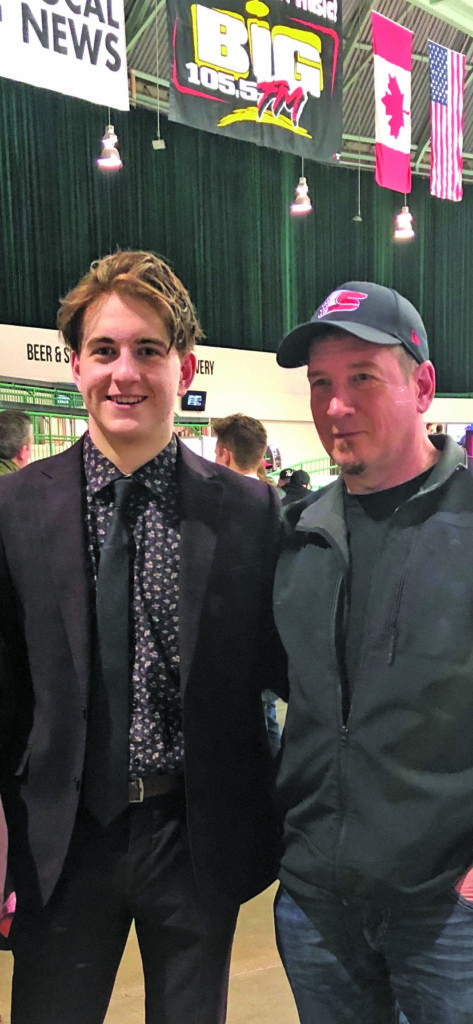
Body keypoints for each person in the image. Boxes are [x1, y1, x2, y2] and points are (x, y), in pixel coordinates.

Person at [0, 250, 284, 1024]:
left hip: (194, 842)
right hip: (61, 842)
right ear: (75, 365)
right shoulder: (15, 508)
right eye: (104, 350)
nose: (125, 372)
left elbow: (284, 672)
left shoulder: (250, 514)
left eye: (148, 350)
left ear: (183, 366)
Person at [272, 280, 473, 1024]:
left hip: (446, 914)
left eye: (361, 378)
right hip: (316, 907)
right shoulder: (296, 535)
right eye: (320, 383)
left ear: (421, 385)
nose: (334, 406)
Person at [214, 413, 282, 756]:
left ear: (224, 454)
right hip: (271, 643)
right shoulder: (279, 506)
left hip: (226, 655)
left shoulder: (212, 509)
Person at [213, 412, 267, 478]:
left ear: (225, 456)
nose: (215, 462)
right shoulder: (271, 487)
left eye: (217, 454)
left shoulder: (210, 487)